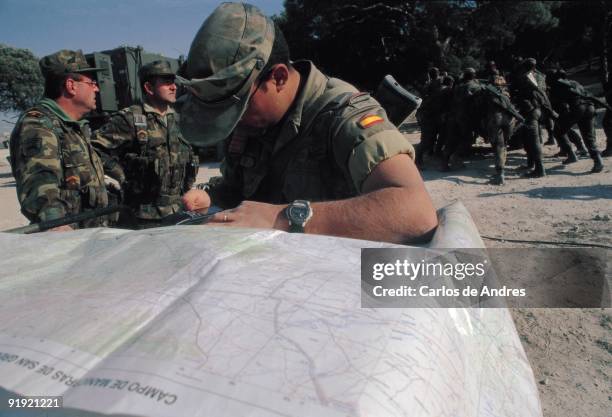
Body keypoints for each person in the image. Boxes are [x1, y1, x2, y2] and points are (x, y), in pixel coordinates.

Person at [177, 2, 437, 244]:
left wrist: (282, 218)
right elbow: (240, 192)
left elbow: (415, 212)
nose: (232, 122)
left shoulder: (344, 115)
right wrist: (212, 197)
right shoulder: (253, 123)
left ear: (278, 77)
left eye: (238, 106)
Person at [92, 60, 206, 228]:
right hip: (143, 217)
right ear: (149, 88)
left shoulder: (178, 119)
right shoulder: (130, 119)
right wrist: (121, 175)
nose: (173, 87)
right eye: (166, 83)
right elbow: (94, 149)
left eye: (173, 82)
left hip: (179, 211)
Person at [9, 50, 109, 230]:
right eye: (91, 83)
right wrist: (57, 225)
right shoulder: (38, 125)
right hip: (71, 243)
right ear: (71, 86)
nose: (97, 88)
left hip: (93, 237)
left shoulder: (72, 127)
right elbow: (40, 186)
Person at [548, 70, 603, 173]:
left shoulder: (556, 85)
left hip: (578, 108)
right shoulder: (574, 82)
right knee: (588, 137)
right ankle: (598, 160)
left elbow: (558, 105)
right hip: (590, 107)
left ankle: (571, 155)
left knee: (558, 130)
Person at [512, 58, 550, 177]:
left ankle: (540, 169)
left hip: (530, 110)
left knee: (532, 140)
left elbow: (515, 90)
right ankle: (531, 163)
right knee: (530, 137)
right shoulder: (541, 76)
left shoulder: (523, 77)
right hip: (541, 109)